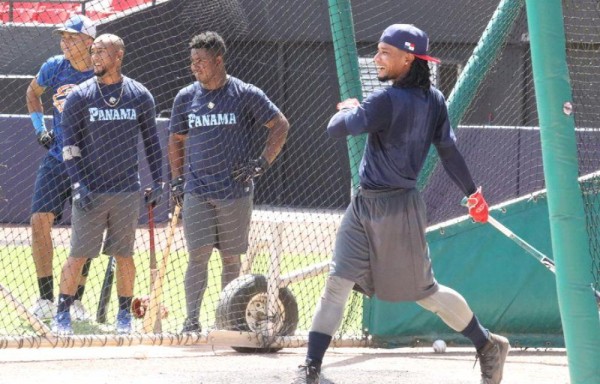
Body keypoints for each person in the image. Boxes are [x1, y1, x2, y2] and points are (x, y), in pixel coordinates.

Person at [292, 24, 509, 384]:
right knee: (338, 281)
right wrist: (473, 193)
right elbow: (449, 152)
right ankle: (311, 367)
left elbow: (335, 128)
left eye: (384, 52)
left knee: (426, 294)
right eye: (378, 50)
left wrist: (349, 108)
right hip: (364, 205)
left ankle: (486, 344)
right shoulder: (433, 98)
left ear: (409, 58)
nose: (376, 58)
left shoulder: (385, 100)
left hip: (397, 210)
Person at [168, 31, 289, 333]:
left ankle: (229, 321)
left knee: (231, 260)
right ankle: (191, 321)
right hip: (197, 190)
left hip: (234, 191)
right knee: (197, 256)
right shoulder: (185, 97)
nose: (194, 66)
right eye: (192, 61)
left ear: (218, 60)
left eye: (200, 60)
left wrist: (261, 163)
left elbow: (280, 124)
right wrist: (177, 180)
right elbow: (176, 139)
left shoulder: (245, 93)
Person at [52, 33, 164, 335]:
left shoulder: (140, 95)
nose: (95, 57)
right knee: (78, 254)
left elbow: (152, 142)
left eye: (102, 51)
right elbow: (69, 146)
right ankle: (61, 312)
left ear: (119, 55)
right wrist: (77, 184)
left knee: (124, 255)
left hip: (126, 190)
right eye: (93, 51)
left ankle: (124, 316)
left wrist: (160, 181)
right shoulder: (79, 96)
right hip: (90, 189)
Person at [26, 14, 97, 321]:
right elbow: (32, 93)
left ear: (89, 42)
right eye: (63, 37)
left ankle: (76, 300)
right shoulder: (54, 66)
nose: (64, 43)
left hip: (92, 164)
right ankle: (44, 297)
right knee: (39, 220)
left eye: (71, 38)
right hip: (56, 159)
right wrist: (39, 127)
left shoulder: (101, 72)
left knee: (87, 231)